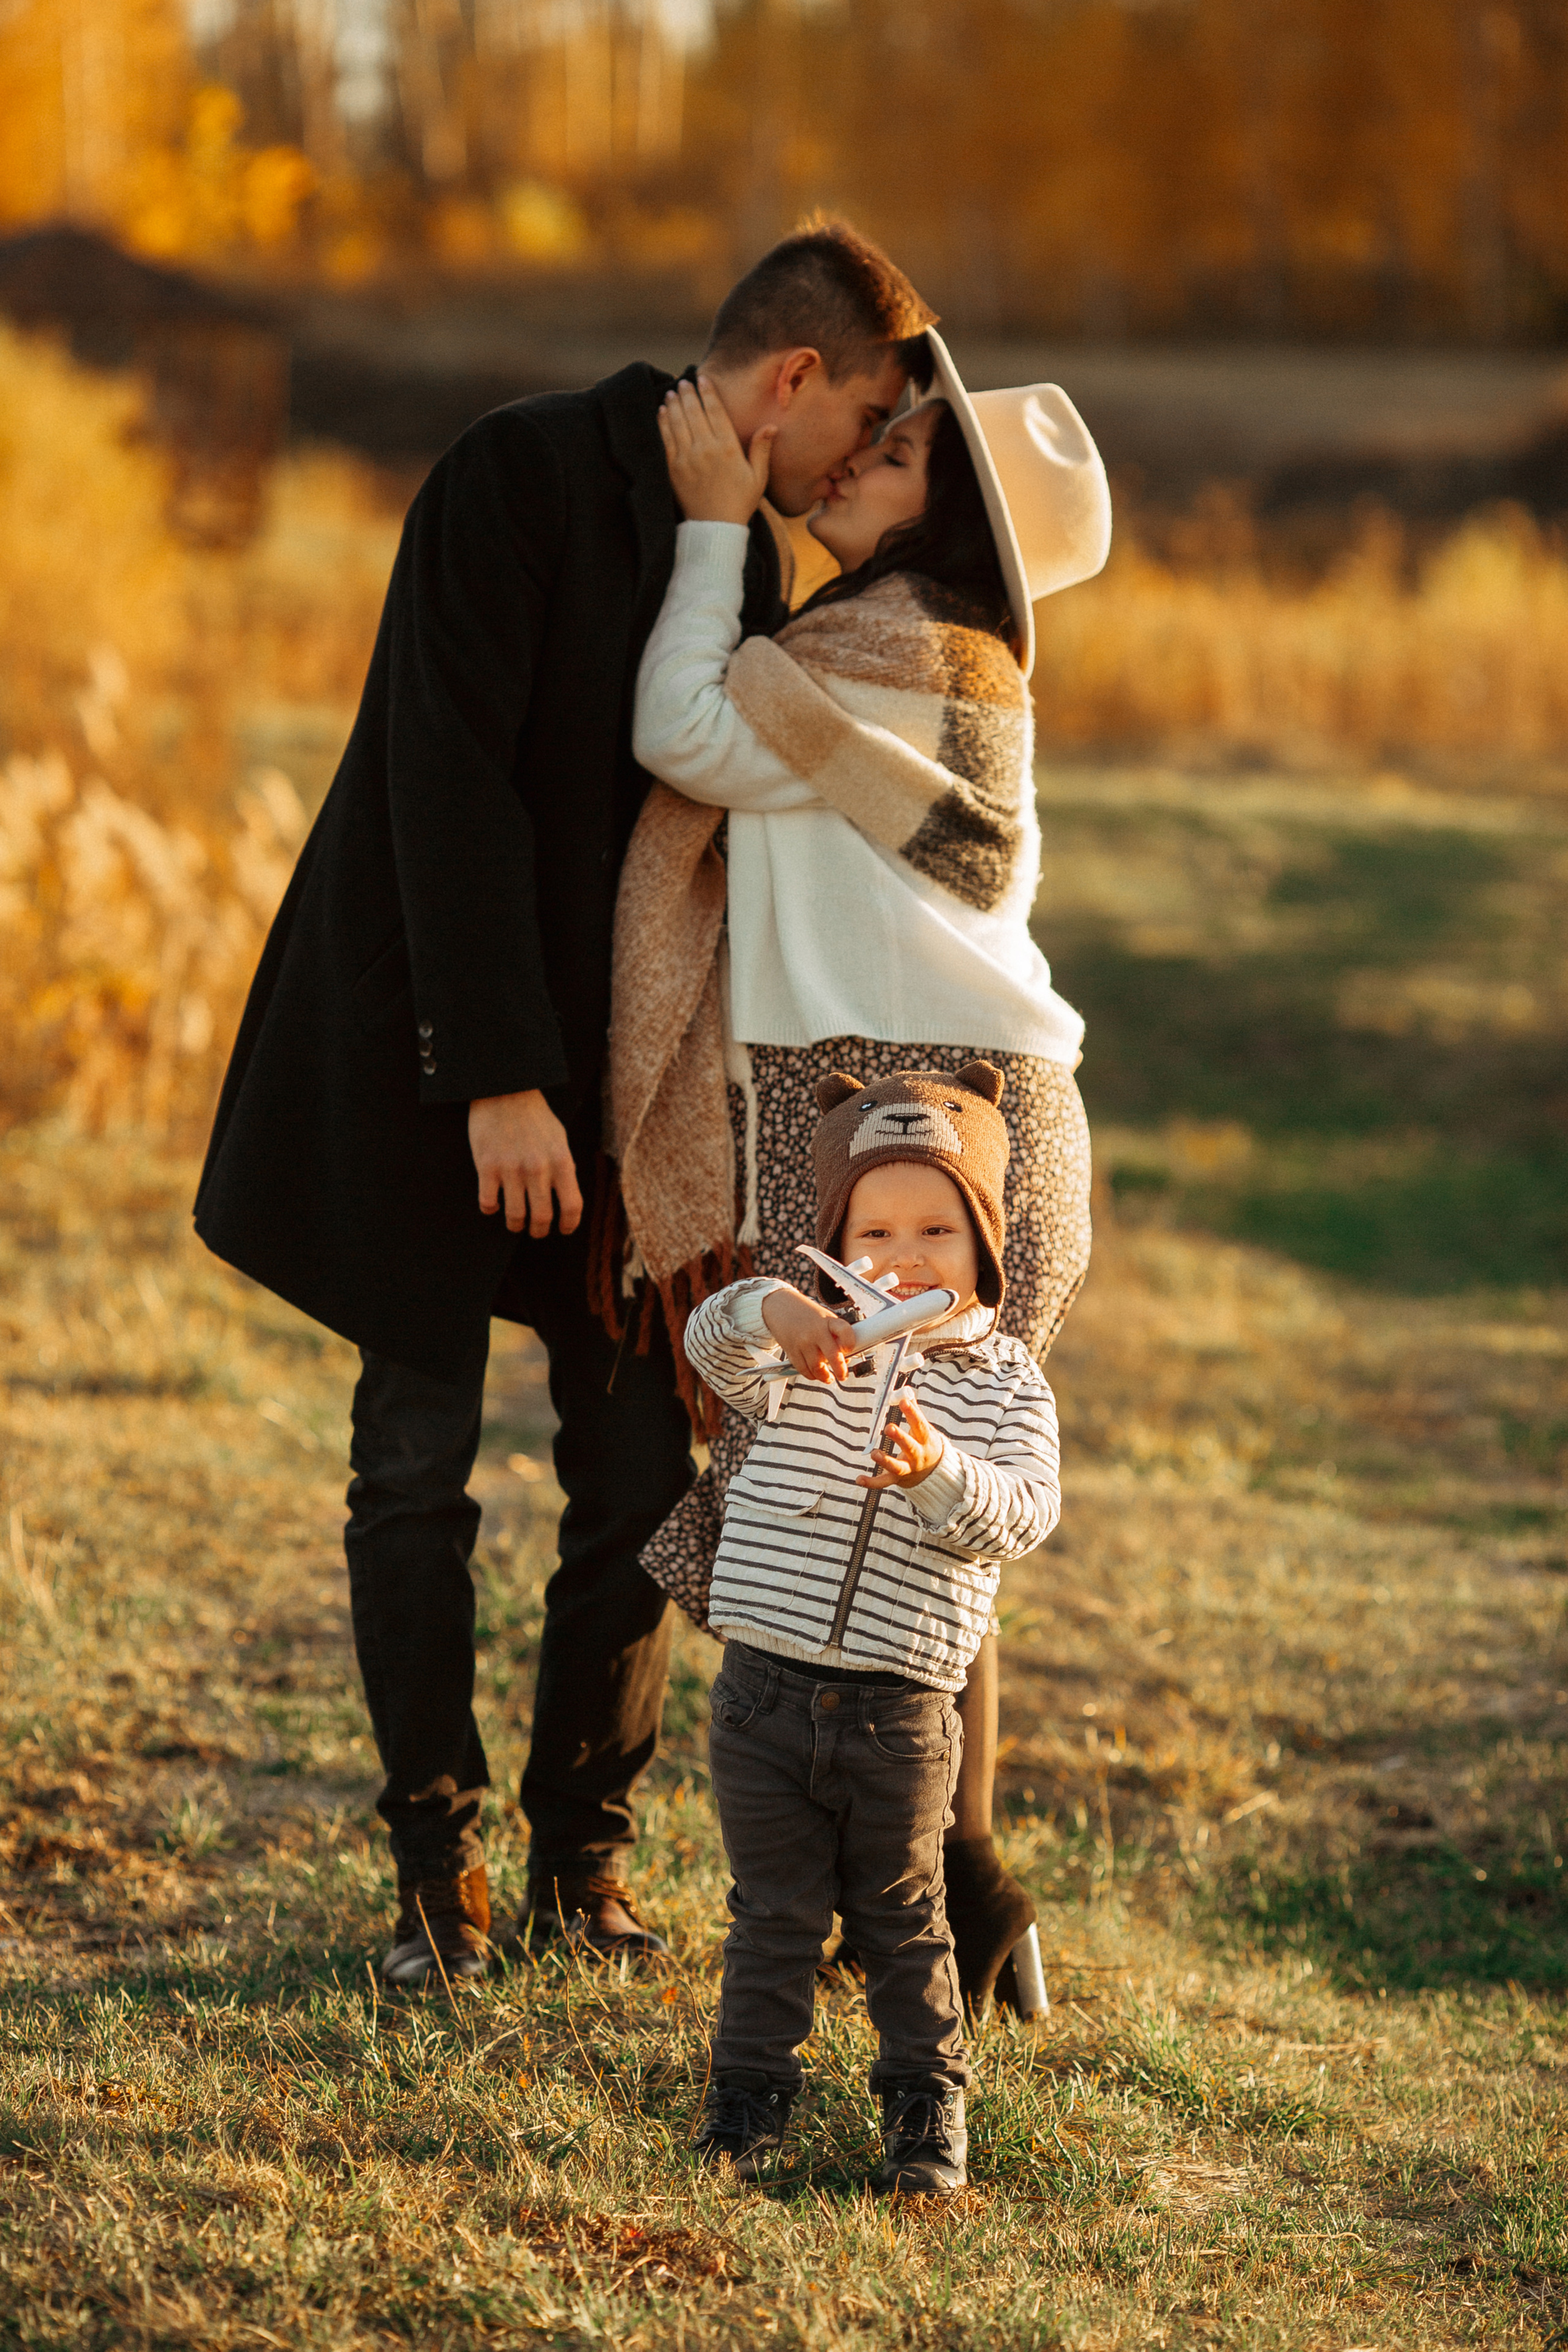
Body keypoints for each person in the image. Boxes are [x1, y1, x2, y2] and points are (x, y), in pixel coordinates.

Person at [193, 219, 940, 1987]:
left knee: (636, 1468)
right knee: (415, 1462)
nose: (865, 471)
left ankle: (578, 1864)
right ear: (793, 383)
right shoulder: (509, 471)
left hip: (630, 1106)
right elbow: (441, 787)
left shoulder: (744, 566)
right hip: (434, 1062)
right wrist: (501, 1081)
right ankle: (433, 1869)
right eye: (870, 430)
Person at [603, 333, 1110, 2011]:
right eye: (871, 432)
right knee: (893, 1503)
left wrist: (707, 522)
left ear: (940, 516)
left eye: (892, 455)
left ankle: (911, 1899)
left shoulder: (902, 658)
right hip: (963, 1103)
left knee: (860, 1487)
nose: (854, 460)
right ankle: (957, 1903)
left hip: (890, 1108)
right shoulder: (918, 658)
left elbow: (682, 724)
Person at [682, 1063, 1061, 2192]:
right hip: (761, 1693)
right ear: (838, 1241)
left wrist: (940, 1475)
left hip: (901, 1711)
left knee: (904, 1922)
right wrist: (771, 1307)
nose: (907, 1252)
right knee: (772, 1920)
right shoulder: (811, 1353)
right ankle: (745, 2110)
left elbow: (1027, 1513)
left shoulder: (1006, 1384)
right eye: (877, 1226)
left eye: (938, 1227)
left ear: (985, 1241)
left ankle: (925, 2117)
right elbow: (713, 1346)